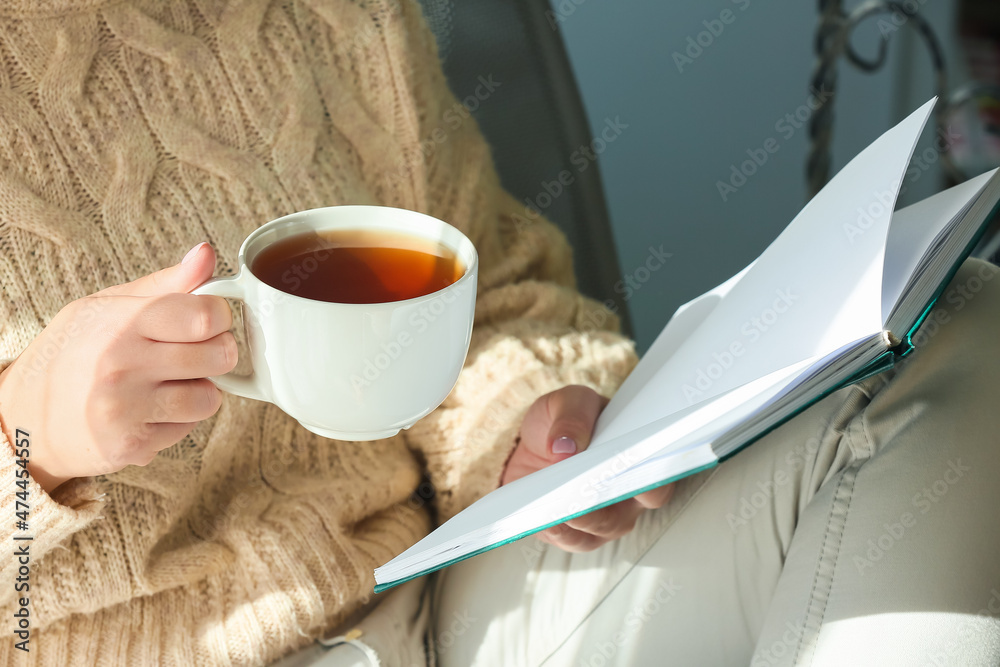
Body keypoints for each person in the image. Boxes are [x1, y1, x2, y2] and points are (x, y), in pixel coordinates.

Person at [0, 3, 998, 667]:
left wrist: (527, 412)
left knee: (960, 320)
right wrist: (31, 436)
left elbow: (496, 286)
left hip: (433, 609)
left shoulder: (342, 19)